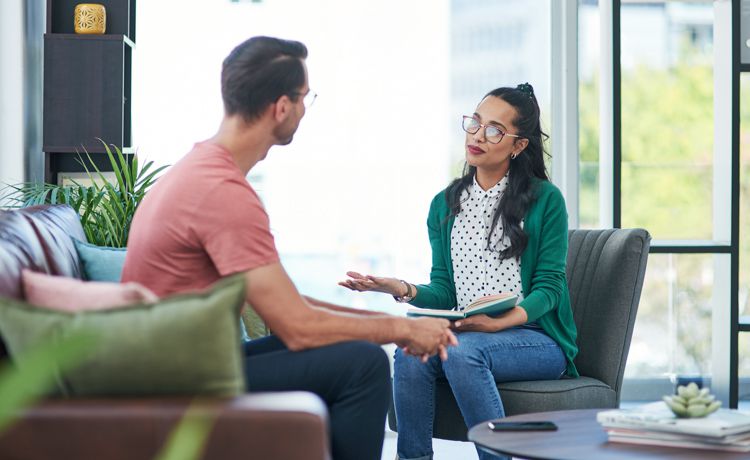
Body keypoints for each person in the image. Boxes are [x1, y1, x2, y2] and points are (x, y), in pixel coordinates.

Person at [121, 36, 457, 460]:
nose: (303, 108)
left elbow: (287, 305)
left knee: (355, 348)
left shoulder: (200, 169)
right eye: (304, 98)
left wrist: (392, 324)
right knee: (364, 365)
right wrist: (403, 330)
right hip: (181, 381)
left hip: (188, 363)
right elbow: (298, 326)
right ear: (281, 107)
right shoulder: (221, 191)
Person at [340, 83, 579, 460]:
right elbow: (445, 291)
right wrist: (400, 288)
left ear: (518, 146)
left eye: (495, 130)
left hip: (535, 336)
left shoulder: (546, 200)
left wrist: (497, 323)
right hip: (470, 332)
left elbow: (550, 289)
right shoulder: (444, 205)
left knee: (463, 353)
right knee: (409, 350)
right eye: (475, 123)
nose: (478, 136)